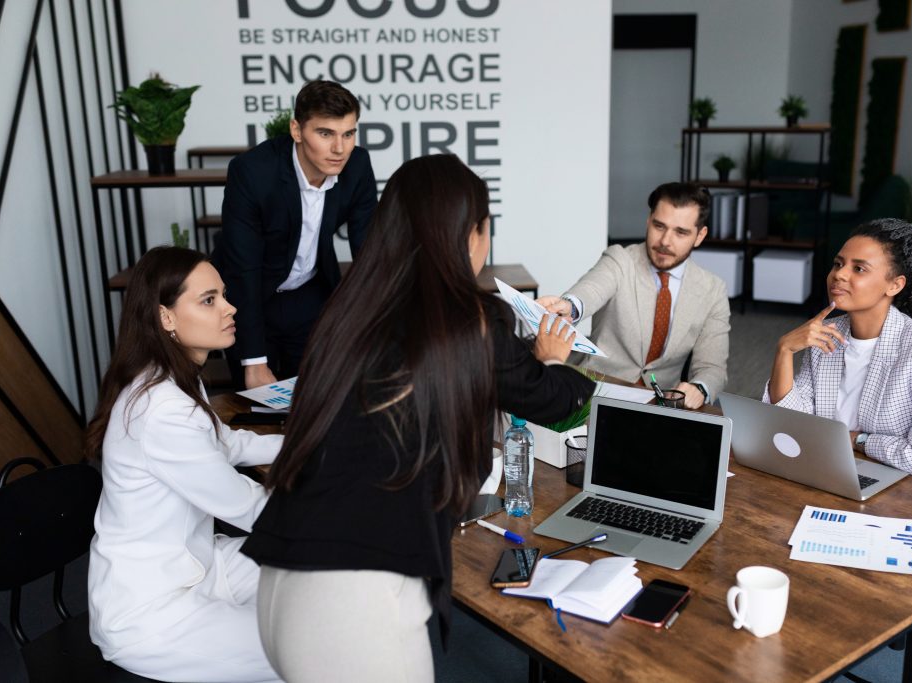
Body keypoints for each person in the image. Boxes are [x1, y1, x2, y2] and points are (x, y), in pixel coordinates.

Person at [241, 154, 595, 682]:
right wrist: (550, 359)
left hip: (279, 581)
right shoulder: (468, 320)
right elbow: (558, 399)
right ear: (472, 233)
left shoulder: (350, 309)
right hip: (353, 602)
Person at [86, 246, 282, 682]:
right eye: (209, 300)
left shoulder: (173, 377)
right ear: (166, 318)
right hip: (153, 610)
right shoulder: (162, 410)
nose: (230, 308)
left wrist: (312, 442)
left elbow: (224, 444)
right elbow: (247, 507)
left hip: (199, 564)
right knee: (305, 647)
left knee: (316, 572)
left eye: (224, 295)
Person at [212, 79, 378, 389]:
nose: (339, 148)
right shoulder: (253, 172)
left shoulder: (357, 166)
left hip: (309, 293)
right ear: (297, 130)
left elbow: (371, 252)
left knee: (320, 399)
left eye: (348, 133)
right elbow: (242, 270)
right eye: (325, 133)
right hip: (252, 296)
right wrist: (254, 360)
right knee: (258, 407)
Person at [764, 218, 912, 481]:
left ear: (895, 285)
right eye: (838, 263)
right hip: (833, 471)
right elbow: (792, 426)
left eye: (859, 269)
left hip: (906, 488)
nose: (840, 274)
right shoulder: (824, 333)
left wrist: (859, 440)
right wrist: (784, 351)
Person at [537, 182, 729, 408]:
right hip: (594, 392)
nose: (665, 241)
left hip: (658, 405)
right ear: (648, 221)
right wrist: (570, 306)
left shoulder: (713, 290)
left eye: (681, 232)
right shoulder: (620, 260)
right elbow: (592, 289)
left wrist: (699, 388)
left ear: (699, 235)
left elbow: (713, 368)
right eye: (659, 226)